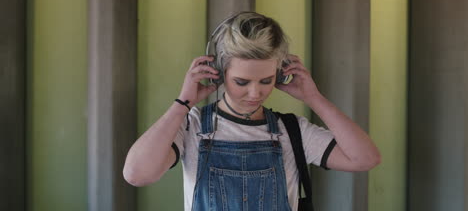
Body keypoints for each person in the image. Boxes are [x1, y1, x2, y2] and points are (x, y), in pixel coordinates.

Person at [123, 12, 381, 211]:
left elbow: (365, 159)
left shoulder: (291, 131)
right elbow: (136, 174)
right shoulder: (192, 126)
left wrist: (314, 98)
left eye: (266, 81)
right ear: (219, 73)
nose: (255, 93)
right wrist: (182, 104)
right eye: (242, 82)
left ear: (279, 74)